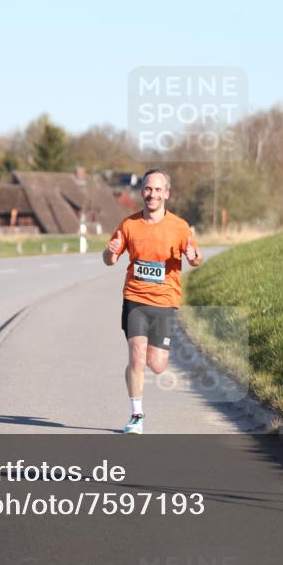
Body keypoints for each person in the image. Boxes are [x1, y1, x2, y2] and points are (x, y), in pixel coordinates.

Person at [102, 169, 202, 434]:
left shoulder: (179, 226)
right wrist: (110, 253)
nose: (152, 194)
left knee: (156, 365)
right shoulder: (129, 225)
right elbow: (109, 258)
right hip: (134, 298)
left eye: (158, 190)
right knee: (136, 356)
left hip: (165, 301)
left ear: (167, 194)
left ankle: (139, 364)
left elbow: (195, 257)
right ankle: (136, 414)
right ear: (142, 191)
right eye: (148, 189)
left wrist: (192, 256)